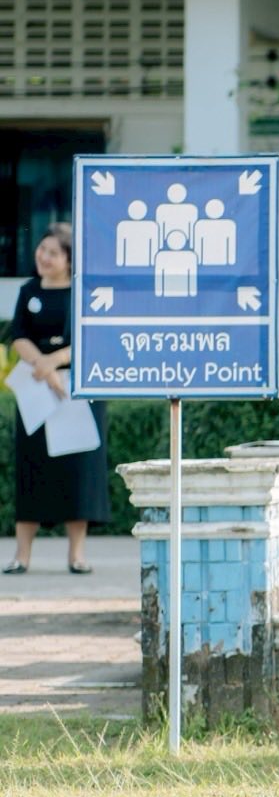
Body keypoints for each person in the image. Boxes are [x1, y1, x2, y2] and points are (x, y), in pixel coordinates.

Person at [6, 224, 110, 576]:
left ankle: (77, 555)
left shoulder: (84, 292)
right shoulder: (29, 290)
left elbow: (91, 335)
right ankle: (22, 555)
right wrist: (43, 365)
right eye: (42, 250)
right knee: (31, 469)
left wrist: (55, 362)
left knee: (77, 471)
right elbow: (18, 335)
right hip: (36, 392)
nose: (44, 257)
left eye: (53, 252)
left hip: (75, 391)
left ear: (69, 259)